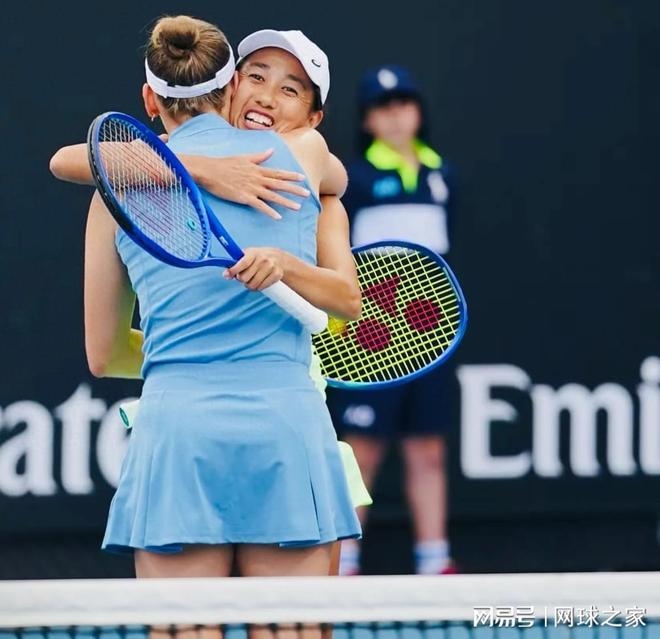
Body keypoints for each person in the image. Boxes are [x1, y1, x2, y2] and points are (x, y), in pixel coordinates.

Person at [50, 23, 372, 577]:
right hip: (286, 425)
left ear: (150, 99)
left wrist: (191, 353)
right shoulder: (304, 154)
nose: (268, 96)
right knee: (292, 622)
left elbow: (104, 355)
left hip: (177, 429)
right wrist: (204, 167)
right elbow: (336, 179)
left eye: (290, 89)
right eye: (258, 78)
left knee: (185, 622)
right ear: (232, 88)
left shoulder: (112, 191)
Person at [327, 65, 455, 576]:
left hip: (432, 338)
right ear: (368, 121)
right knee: (361, 452)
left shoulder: (442, 177)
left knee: (429, 449)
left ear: (418, 111)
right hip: (371, 339)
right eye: (383, 108)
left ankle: (435, 560)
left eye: (404, 103)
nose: (396, 115)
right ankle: (345, 562)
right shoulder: (353, 181)